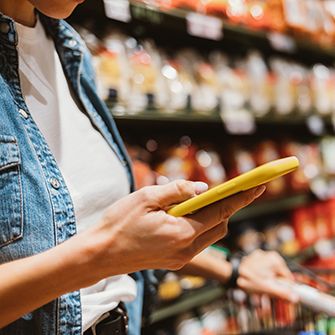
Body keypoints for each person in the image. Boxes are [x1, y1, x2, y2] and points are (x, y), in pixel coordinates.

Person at [0, 1, 297, 334]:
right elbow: (105, 245)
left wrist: (232, 268)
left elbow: (92, 224)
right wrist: (104, 255)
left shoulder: (70, 50)